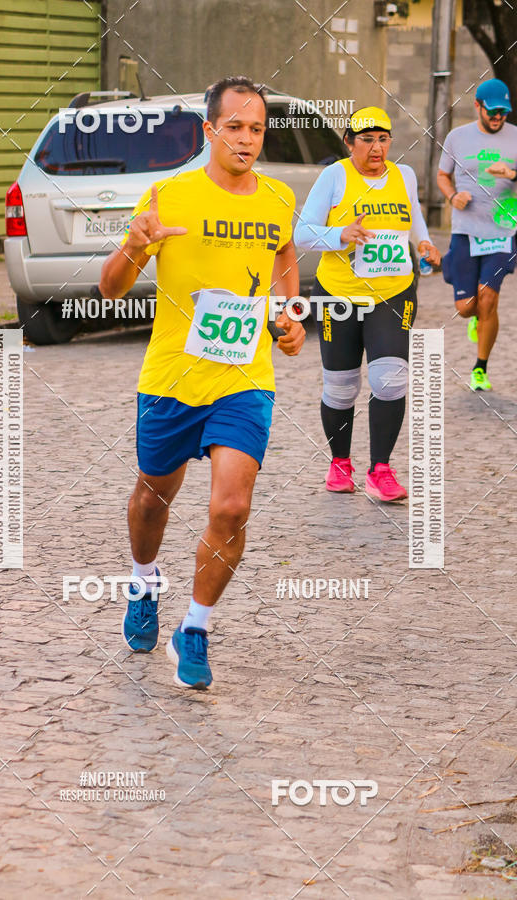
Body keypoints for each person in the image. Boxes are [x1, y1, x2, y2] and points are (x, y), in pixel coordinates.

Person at [99, 76, 305, 690]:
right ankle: (143, 581)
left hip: (244, 379)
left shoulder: (275, 199)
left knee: (232, 505)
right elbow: (110, 289)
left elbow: (285, 260)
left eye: (257, 129)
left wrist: (289, 318)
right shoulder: (168, 196)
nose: (246, 139)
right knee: (150, 502)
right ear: (209, 130)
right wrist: (135, 248)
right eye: (235, 127)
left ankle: (195, 628)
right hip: (170, 377)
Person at [294, 107, 440, 501]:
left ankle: (381, 469)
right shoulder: (334, 176)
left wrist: (424, 244)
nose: (376, 148)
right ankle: (340, 462)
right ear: (349, 142)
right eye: (366, 139)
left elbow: (415, 219)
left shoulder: (404, 175)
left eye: (383, 139)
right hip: (339, 292)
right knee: (342, 387)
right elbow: (302, 234)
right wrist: (340, 234)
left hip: (393, 292)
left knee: (389, 379)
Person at [437, 78, 517, 391]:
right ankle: (473, 314)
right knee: (468, 306)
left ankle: (480, 368)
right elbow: (443, 175)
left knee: (488, 298)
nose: (499, 117)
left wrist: (511, 174)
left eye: (504, 112)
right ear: (478, 107)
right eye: (493, 111)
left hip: (502, 230)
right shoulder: (457, 138)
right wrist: (453, 196)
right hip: (465, 231)